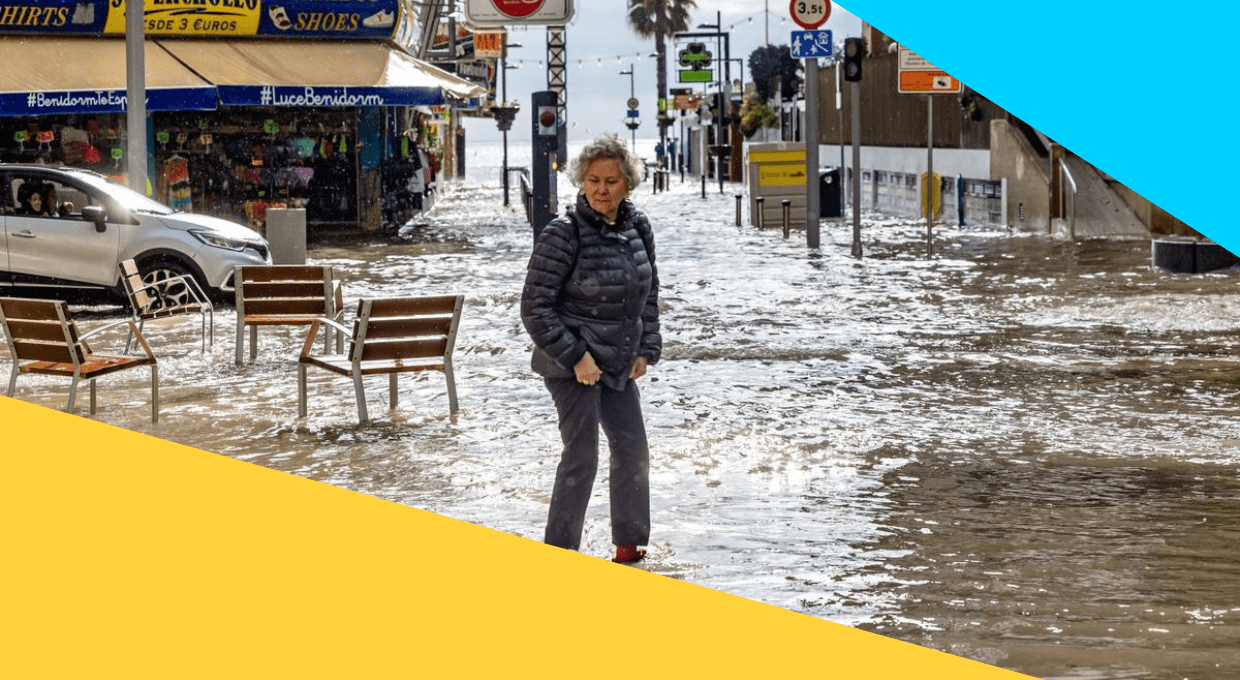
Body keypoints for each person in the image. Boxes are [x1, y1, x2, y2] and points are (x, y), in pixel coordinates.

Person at [520, 134, 661, 564]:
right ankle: (561, 552)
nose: (602, 189)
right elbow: (534, 308)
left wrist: (646, 348)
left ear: (628, 185)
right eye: (593, 180)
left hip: (618, 358)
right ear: (581, 183)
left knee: (633, 449)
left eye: (611, 181)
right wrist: (576, 356)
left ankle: (629, 549)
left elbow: (648, 294)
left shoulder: (638, 228)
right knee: (582, 456)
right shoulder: (562, 234)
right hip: (569, 363)